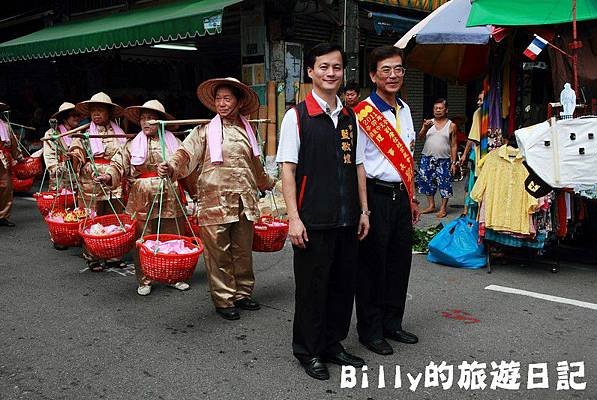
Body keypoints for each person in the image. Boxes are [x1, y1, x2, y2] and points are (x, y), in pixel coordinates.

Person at [277, 43, 370, 381]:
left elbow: (358, 165)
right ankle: (309, 350)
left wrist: (364, 210)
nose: (331, 73)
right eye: (324, 67)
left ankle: (333, 344)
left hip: (347, 218)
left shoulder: (349, 117)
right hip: (312, 219)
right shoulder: (297, 116)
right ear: (311, 72)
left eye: (337, 67)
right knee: (312, 289)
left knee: (342, 287)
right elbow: (287, 169)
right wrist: (294, 217)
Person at [158, 78, 274, 320]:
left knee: (242, 251)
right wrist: (170, 166)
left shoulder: (247, 132)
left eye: (227, 98)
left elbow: (255, 166)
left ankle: (242, 293)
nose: (222, 103)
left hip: (243, 201)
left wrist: (269, 183)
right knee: (218, 253)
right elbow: (184, 153)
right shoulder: (203, 131)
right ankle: (224, 299)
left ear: (239, 102)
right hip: (214, 201)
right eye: (218, 98)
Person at [354, 45, 420, 357]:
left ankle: (393, 322)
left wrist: (413, 195)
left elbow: (407, 158)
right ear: (373, 75)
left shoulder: (405, 109)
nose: (393, 76)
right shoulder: (363, 114)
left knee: (399, 263)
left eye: (398, 70)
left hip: (401, 197)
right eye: (386, 71)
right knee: (371, 266)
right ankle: (371, 330)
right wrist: (364, 208)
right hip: (376, 196)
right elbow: (359, 165)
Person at [95, 100, 190, 296]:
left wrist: (195, 193)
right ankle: (145, 278)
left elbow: (187, 167)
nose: (146, 123)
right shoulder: (132, 144)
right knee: (142, 238)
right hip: (142, 195)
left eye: (151, 119)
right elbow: (118, 163)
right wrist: (108, 176)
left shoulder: (175, 143)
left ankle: (174, 275)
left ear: (161, 121)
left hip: (170, 194)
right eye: (143, 119)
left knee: (173, 236)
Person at [71, 92, 127, 271]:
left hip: (114, 181)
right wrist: (73, 156)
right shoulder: (84, 133)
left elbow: (125, 153)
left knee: (114, 219)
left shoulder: (119, 133)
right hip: (91, 181)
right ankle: (92, 256)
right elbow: (77, 150)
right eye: (93, 110)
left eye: (100, 110)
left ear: (109, 113)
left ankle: (114, 255)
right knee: (92, 219)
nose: (96, 114)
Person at [417, 98, 458, 218]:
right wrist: (424, 127)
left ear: (446, 110)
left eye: (440, 108)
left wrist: (453, 162)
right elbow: (419, 137)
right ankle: (431, 205)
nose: (438, 110)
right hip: (427, 157)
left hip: (444, 159)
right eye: (436, 108)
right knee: (426, 181)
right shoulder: (428, 123)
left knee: (444, 183)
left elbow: (454, 145)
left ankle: (443, 208)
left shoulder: (452, 125)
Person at [42, 102, 82, 191]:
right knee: (60, 202)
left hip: (76, 177)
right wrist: (58, 167)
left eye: (78, 115)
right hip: (60, 177)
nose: (77, 118)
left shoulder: (80, 133)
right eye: (73, 115)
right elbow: (49, 156)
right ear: (64, 118)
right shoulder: (52, 133)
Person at [0, 102, 24, 227]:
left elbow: (13, 143)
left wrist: (19, 157)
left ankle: (2, 216)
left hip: (4, 160)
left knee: (6, 187)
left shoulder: (5, 126)